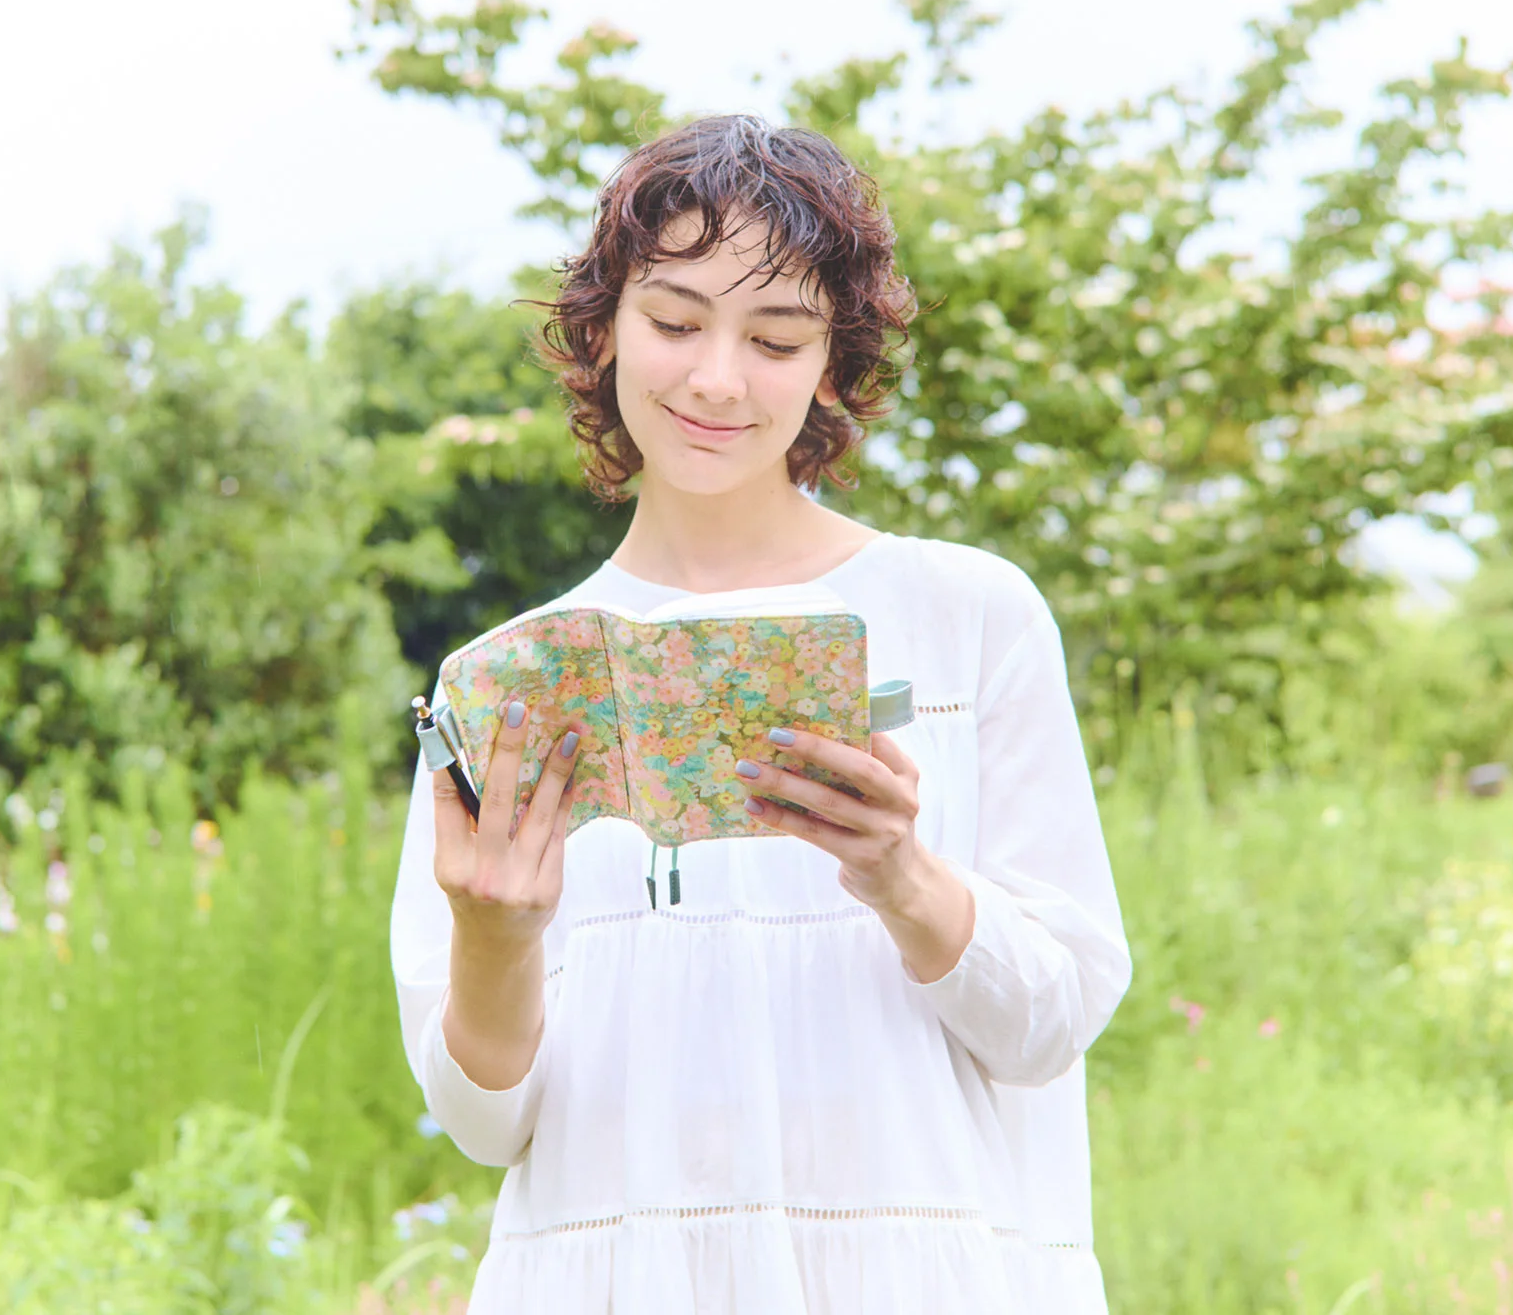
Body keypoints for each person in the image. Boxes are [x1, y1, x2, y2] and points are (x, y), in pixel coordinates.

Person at [389, 114, 1132, 1313]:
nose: (717, 379)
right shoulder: (514, 677)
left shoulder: (969, 618)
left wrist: (902, 877)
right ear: (604, 330)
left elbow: (1052, 1023)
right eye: (675, 322)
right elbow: (484, 1124)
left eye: (777, 338)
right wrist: (493, 937)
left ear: (833, 363)